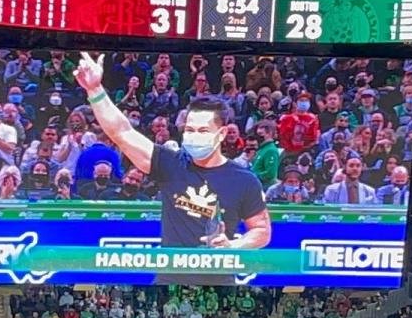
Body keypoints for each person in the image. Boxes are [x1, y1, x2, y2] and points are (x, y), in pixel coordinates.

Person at [74, 52, 271, 285]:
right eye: (189, 130)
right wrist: (95, 90)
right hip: (169, 278)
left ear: (223, 134)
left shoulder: (244, 180)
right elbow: (122, 132)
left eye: (202, 131)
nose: (193, 136)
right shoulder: (170, 163)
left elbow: (262, 230)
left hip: (218, 280)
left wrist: (234, 245)